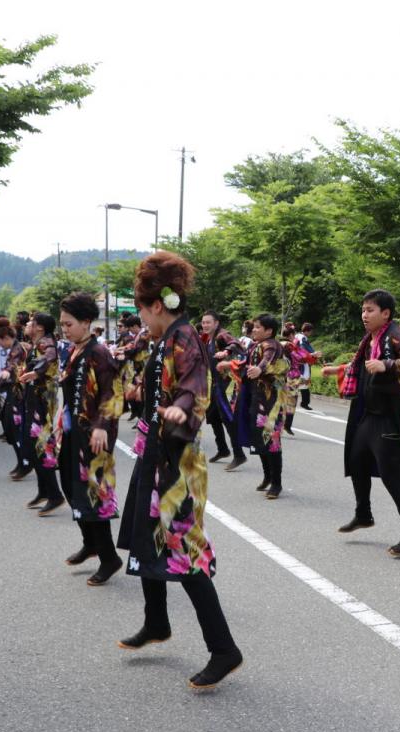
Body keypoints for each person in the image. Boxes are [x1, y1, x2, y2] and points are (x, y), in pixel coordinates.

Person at [115, 252, 243, 690]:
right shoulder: (167, 337)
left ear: (155, 305)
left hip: (179, 457)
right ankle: (156, 622)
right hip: (158, 451)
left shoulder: (185, 338)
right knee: (146, 537)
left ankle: (224, 649)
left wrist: (178, 408)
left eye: (140, 309)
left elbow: (195, 387)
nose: (140, 319)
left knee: (184, 551)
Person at [322, 290, 400, 557]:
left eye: (370, 310)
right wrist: (341, 369)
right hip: (368, 414)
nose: (364, 315)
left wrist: (387, 364)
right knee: (356, 461)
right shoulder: (370, 339)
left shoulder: (395, 334)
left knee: (392, 477)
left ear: (386, 313)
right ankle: (363, 514)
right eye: (363, 310)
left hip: (389, 416)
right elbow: (361, 367)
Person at [58, 292, 124, 586]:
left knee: (94, 495)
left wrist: (101, 425)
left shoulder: (99, 353)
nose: (65, 329)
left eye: (69, 323)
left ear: (86, 322)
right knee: (72, 488)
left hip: (94, 437)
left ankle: (109, 557)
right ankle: (91, 542)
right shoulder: (74, 351)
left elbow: (113, 392)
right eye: (62, 324)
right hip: (75, 433)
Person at [222, 314, 288, 498]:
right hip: (256, 400)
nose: (254, 329)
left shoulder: (271, 345)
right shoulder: (254, 345)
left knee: (272, 441)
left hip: (271, 403)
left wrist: (260, 368)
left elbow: (267, 360)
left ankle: (277, 483)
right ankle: (268, 476)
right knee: (259, 439)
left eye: (258, 327)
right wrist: (228, 363)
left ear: (269, 331)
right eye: (254, 326)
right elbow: (246, 363)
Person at [17, 313, 65, 516]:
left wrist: (36, 372)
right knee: (34, 444)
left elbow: (51, 356)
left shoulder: (47, 343)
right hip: (35, 399)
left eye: (30, 323)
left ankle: (55, 495)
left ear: (39, 327)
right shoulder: (36, 342)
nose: (27, 325)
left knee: (41, 445)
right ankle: (44, 491)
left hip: (42, 402)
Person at [199, 310, 246, 468]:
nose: (205, 325)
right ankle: (223, 449)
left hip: (223, 385)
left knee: (227, 418)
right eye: (203, 322)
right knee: (212, 417)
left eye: (208, 322)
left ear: (216, 323)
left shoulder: (222, 335)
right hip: (212, 384)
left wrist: (226, 351)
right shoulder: (208, 338)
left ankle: (239, 454)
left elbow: (236, 344)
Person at [0, 324, 32, 480]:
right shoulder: (17, 347)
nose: (0, 344)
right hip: (15, 391)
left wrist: (6, 372)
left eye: (0, 341)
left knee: (14, 429)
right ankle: (22, 462)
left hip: (19, 393)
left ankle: (25, 462)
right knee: (11, 428)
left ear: (6, 338)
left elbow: (13, 364)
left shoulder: (18, 349)